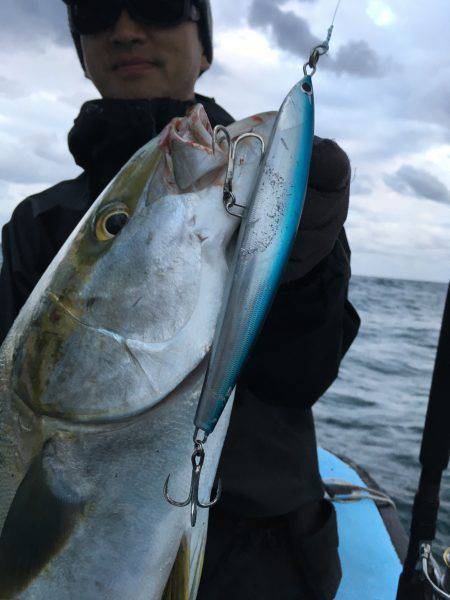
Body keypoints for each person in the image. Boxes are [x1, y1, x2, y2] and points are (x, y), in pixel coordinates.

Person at [0, 1, 360, 598]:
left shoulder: (272, 189)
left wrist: (306, 268)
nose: (125, 29)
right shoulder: (39, 222)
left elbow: (303, 374)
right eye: (94, 12)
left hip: (265, 560)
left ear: (207, 48)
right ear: (82, 57)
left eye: (159, 5)